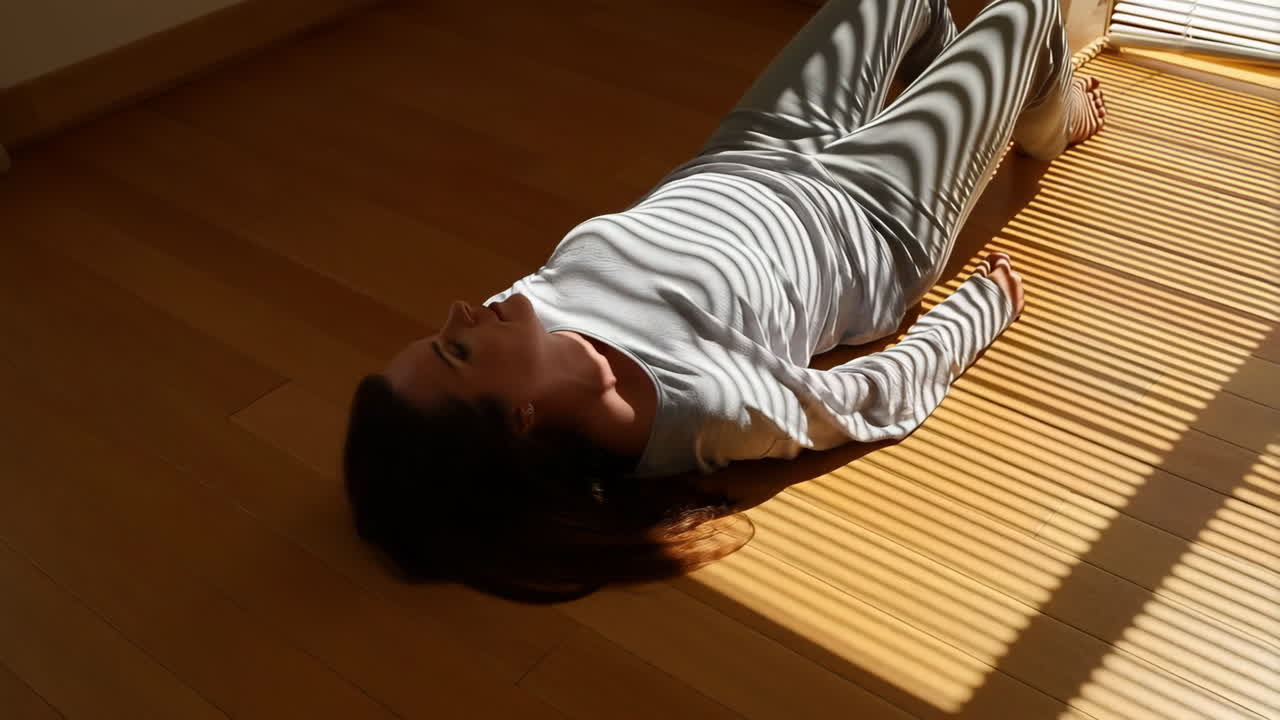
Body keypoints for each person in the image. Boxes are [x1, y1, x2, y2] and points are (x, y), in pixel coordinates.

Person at [343, 0, 1107, 602]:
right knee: (1031, 9)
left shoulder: (519, 317)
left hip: (752, 148)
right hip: (870, 221)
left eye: (437, 332)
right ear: (521, 420)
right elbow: (861, 402)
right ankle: (1050, 114)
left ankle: (976, 87)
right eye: (455, 349)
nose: (458, 311)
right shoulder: (701, 405)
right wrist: (978, 313)